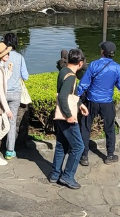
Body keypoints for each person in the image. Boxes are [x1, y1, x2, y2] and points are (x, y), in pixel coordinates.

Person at [77, 41, 120, 166]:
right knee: (109, 128)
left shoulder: (94, 65)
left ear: (102, 52)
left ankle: (84, 156)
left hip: (91, 101)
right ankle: (110, 155)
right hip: (107, 102)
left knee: (85, 127)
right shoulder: (117, 67)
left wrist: (76, 97)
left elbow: (83, 84)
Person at [49, 48, 89, 189]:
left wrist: (80, 104)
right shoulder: (71, 77)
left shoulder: (63, 71)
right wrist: (69, 116)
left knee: (62, 145)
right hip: (66, 117)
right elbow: (63, 97)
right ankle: (67, 176)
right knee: (79, 147)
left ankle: (55, 174)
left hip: (60, 116)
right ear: (80, 63)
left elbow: (69, 94)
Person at [3, 32, 29, 160]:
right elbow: (25, 76)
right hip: (16, 93)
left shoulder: (2, 57)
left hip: (2, 93)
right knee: (12, 122)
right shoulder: (20, 57)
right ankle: (10, 151)